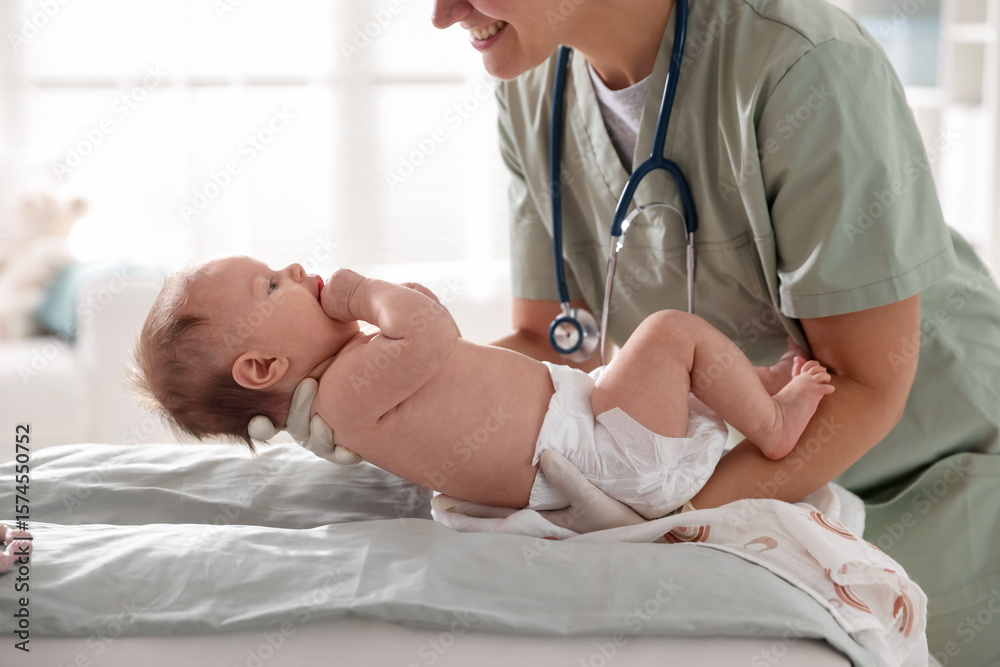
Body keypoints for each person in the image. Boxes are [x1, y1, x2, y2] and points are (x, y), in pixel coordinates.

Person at [260, 0, 999, 663]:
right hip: (731, 464)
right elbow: (554, 338)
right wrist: (391, 405)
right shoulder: (530, 87)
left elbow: (866, 385)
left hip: (933, 463)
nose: (441, 12)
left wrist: (666, 526)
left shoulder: (803, 67)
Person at [130, 255, 836, 519]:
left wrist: (398, 306)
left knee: (657, 369)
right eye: (272, 284)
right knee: (665, 335)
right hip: (603, 454)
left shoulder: (353, 384)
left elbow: (433, 342)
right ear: (261, 369)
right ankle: (771, 422)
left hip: (594, 426)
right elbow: (433, 333)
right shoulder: (345, 392)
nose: (293, 266)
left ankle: (753, 388)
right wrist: (364, 290)